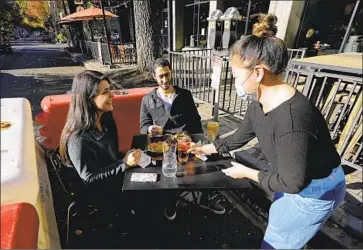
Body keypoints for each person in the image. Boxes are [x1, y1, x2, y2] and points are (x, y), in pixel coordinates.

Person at [189, 14, 346, 249]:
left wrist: (247, 173)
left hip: (315, 189)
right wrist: (204, 148)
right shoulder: (258, 104)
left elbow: (293, 183)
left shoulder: (291, 119)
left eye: (235, 75)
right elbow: (238, 138)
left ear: (259, 73)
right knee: (279, 221)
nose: (233, 81)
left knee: (277, 241)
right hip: (294, 177)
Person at [140, 58, 226, 220]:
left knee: (210, 166)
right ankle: (171, 201)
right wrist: (149, 129)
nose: (165, 80)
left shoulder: (185, 95)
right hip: (164, 145)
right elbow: (143, 125)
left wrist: (200, 141)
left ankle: (205, 199)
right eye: (161, 76)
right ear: (154, 76)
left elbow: (195, 120)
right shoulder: (147, 100)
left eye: (167, 74)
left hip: (187, 142)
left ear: (171, 72)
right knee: (169, 173)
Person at [59, 70, 143, 205]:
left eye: (110, 89)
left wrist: (129, 157)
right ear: (89, 99)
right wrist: (124, 163)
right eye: (105, 92)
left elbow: (111, 156)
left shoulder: (105, 120)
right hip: (102, 198)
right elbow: (90, 179)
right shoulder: (78, 139)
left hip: (116, 182)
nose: (112, 95)